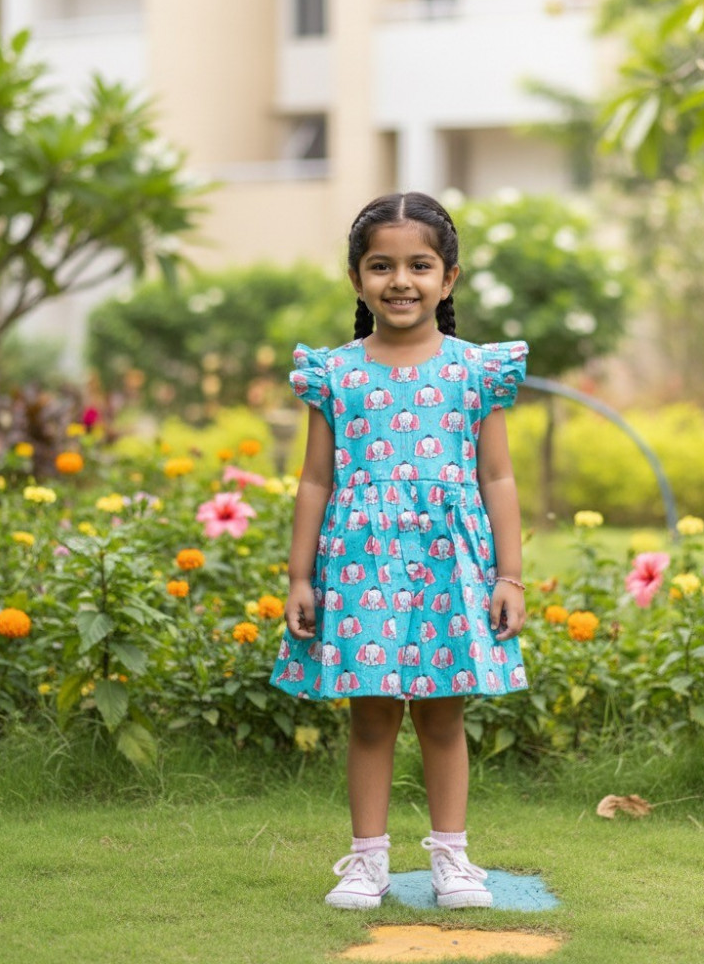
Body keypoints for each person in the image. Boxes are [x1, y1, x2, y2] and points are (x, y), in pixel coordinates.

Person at [270, 191, 528, 911]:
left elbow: (497, 476)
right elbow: (315, 480)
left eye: (420, 265)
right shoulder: (336, 373)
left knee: (442, 715)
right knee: (372, 714)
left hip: (451, 562)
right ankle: (367, 863)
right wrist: (299, 577)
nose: (401, 281)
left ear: (448, 278)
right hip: (361, 565)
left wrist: (509, 575)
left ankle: (452, 859)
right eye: (381, 265)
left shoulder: (476, 371)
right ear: (357, 278)